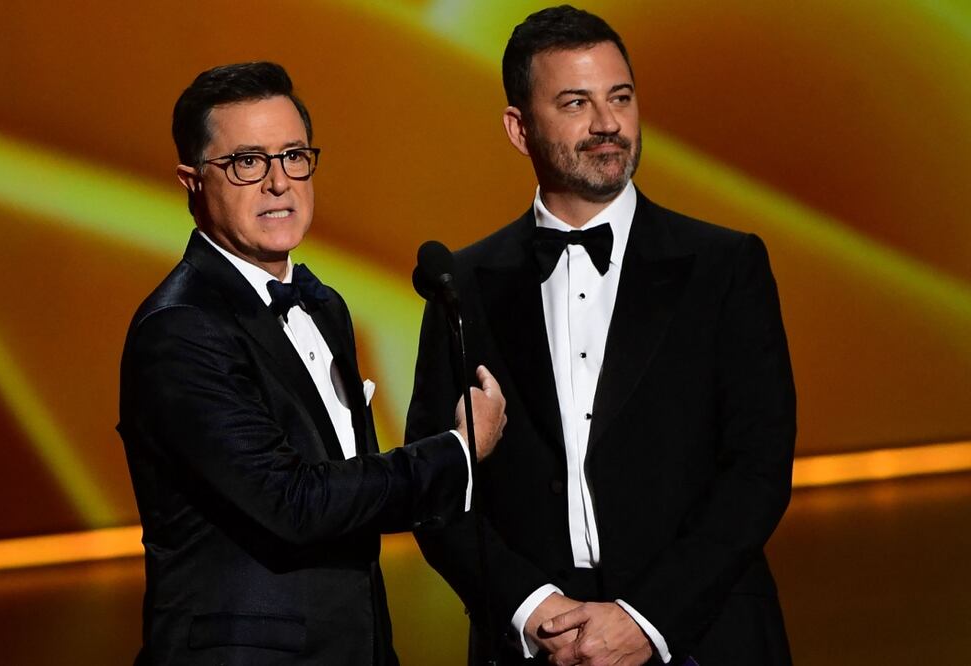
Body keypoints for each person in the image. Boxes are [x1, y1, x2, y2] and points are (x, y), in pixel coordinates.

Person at [406, 6, 795, 665]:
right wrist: (532, 608)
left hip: (699, 633)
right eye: (576, 102)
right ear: (518, 127)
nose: (608, 123)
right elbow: (435, 483)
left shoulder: (725, 265)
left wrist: (645, 620)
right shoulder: (463, 282)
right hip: (534, 645)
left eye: (620, 97)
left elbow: (757, 469)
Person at [117, 61, 506, 666]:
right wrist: (456, 450)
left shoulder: (324, 303)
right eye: (248, 162)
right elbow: (292, 503)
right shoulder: (181, 330)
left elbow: (350, 497)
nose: (279, 182)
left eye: (293, 155)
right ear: (191, 181)